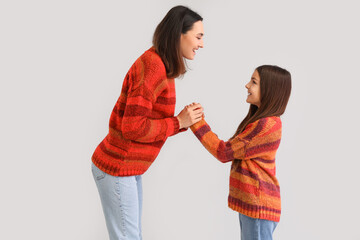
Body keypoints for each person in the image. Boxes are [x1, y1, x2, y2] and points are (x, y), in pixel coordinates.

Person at [91, 6, 204, 240]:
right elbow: (132, 127)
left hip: (127, 168)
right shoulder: (153, 67)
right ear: (179, 35)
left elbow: (147, 124)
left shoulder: (163, 65)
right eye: (199, 36)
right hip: (118, 167)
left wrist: (181, 122)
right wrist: (177, 122)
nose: (201, 44)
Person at [190, 65, 291, 240]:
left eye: (254, 82)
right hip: (256, 206)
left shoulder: (266, 125)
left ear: (270, 89)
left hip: (259, 206)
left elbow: (224, 152)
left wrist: (197, 123)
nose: (247, 86)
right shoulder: (263, 121)